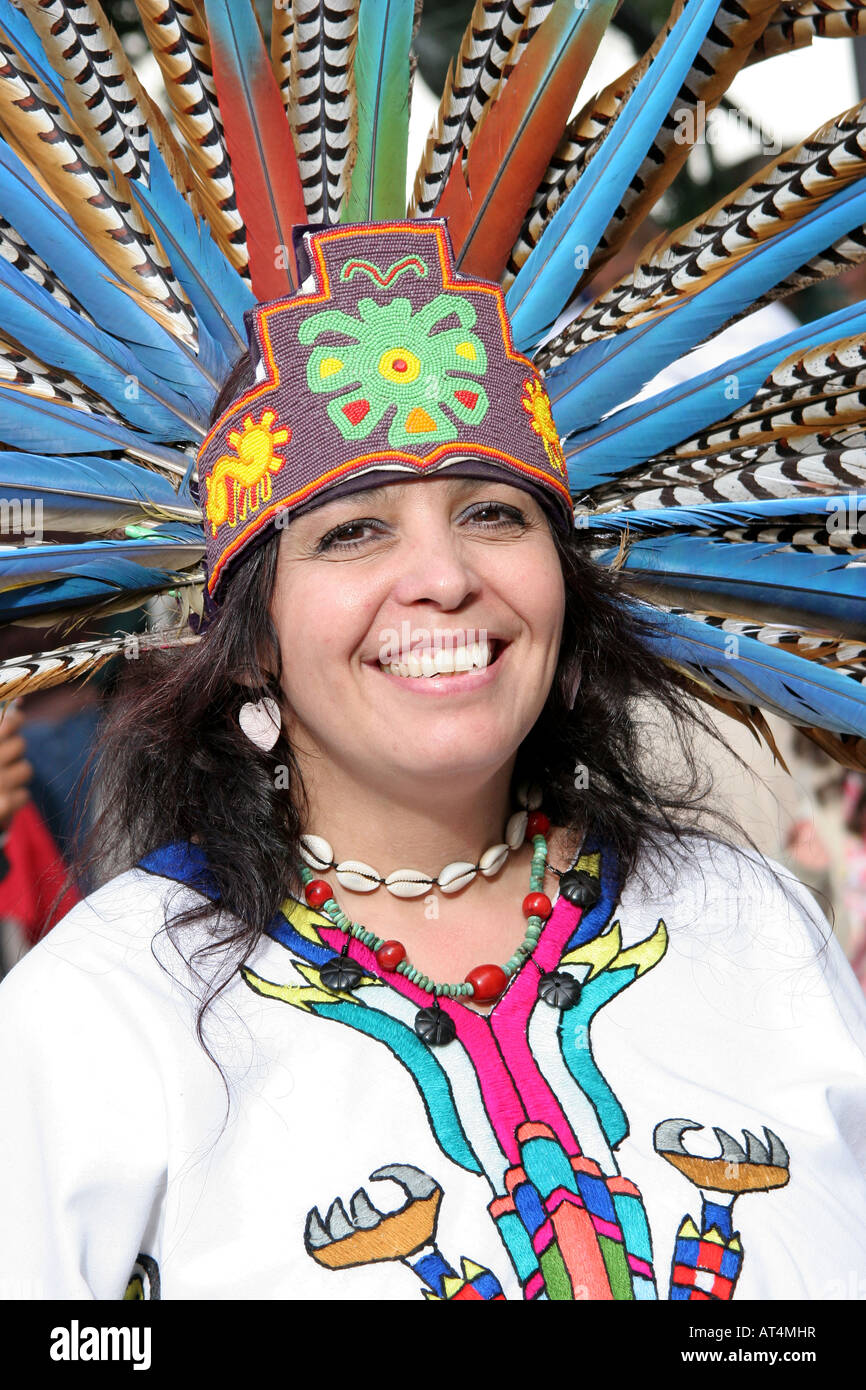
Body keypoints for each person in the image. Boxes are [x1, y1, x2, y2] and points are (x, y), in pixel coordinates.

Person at [0, 218, 864, 1304]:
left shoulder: (749, 922)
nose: (444, 578)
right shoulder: (106, 1007)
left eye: (492, 513)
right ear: (255, 642)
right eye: (353, 531)